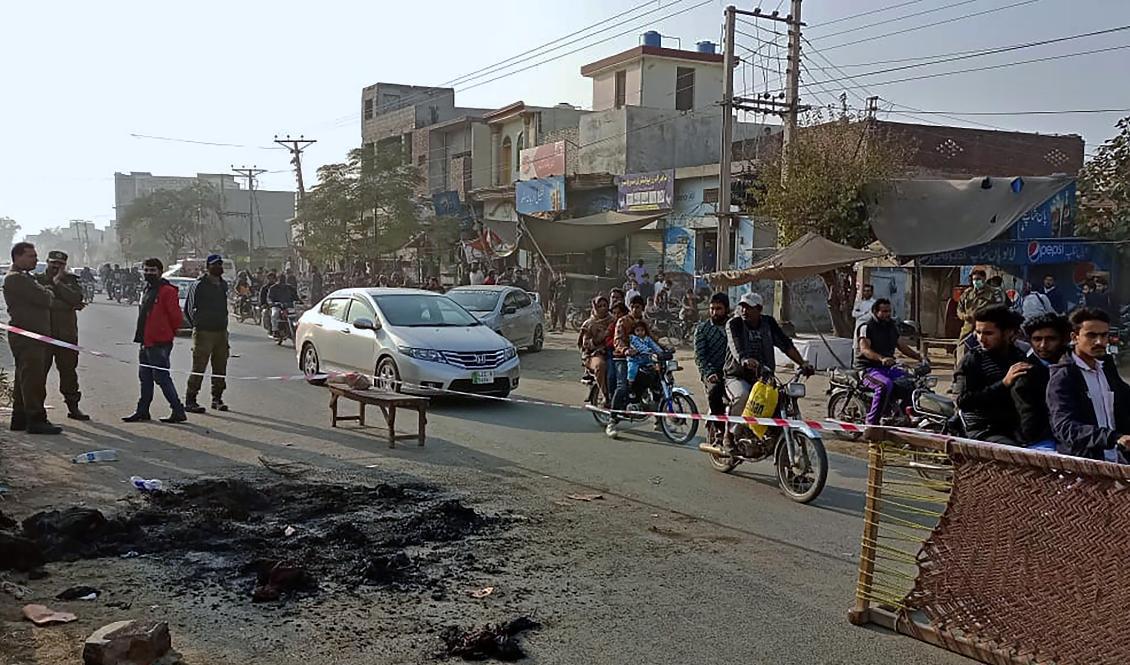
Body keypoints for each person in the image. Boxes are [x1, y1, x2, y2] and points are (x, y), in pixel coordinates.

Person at [723, 292, 813, 442]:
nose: (744, 311)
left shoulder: (768, 323)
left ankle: (769, 435)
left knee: (780, 400)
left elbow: (786, 344)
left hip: (764, 376)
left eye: (749, 307)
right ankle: (730, 435)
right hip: (737, 375)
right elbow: (736, 346)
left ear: (759, 309)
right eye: (742, 307)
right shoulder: (734, 323)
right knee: (743, 395)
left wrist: (802, 363)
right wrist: (745, 359)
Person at [1047, 308, 1130, 461]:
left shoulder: (1106, 366)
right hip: (1084, 463)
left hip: (1118, 458)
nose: (1099, 342)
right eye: (1091, 335)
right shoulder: (1064, 376)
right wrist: (1112, 438)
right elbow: (1064, 427)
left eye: (1104, 335)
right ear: (1075, 337)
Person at [3, 243, 62, 434]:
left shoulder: (25, 278)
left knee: (25, 378)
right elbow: (46, 298)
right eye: (31, 256)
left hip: (33, 334)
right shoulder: (16, 279)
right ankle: (36, 419)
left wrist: (46, 292)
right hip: (28, 335)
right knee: (33, 379)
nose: (36, 260)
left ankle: (20, 418)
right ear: (17, 257)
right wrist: (47, 292)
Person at [123, 258, 187, 424]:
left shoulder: (167, 291)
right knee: (145, 377)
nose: (149, 273)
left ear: (160, 271)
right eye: (146, 270)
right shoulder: (147, 289)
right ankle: (143, 410)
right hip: (146, 340)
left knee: (161, 377)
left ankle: (178, 410)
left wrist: (166, 333)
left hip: (159, 342)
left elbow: (176, 317)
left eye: (152, 270)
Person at [953, 305, 1027, 445]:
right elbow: (964, 401)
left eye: (988, 333)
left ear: (1007, 333)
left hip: (1013, 427)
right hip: (982, 429)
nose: (981, 339)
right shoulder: (973, 360)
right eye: (978, 332)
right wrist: (1004, 383)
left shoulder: (1018, 356)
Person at [37, 251, 89, 421]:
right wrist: (68, 306)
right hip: (43, 334)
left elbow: (76, 298)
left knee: (69, 373)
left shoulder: (70, 280)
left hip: (66, 335)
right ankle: (36, 410)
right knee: (38, 374)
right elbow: (41, 302)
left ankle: (73, 407)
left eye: (60, 264)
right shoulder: (37, 280)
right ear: (47, 262)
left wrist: (58, 283)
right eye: (53, 263)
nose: (56, 266)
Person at [856, 298, 923, 425]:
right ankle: (872, 424)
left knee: (913, 383)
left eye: (889, 311)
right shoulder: (866, 327)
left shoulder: (891, 326)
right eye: (884, 311)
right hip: (868, 369)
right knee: (884, 385)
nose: (888, 314)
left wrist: (919, 357)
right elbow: (865, 350)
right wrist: (881, 358)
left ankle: (900, 417)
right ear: (876, 312)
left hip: (888, 368)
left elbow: (901, 345)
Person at [1011, 313, 1070, 450]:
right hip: (1042, 440)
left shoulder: (1076, 365)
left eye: (1051, 339)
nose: (1043, 345)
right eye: (1037, 339)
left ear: (1063, 340)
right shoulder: (1025, 374)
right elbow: (1029, 420)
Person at [183, 254, 230, 414]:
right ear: (208, 266)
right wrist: (197, 325)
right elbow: (188, 308)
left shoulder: (223, 285)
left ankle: (217, 398)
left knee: (220, 367)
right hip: (204, 332)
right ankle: (191, 399)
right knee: (199, 367)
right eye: (215, 265)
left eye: (220, 264)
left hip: (221, 332)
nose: (218, 267)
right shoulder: (199, 284)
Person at [606, 295, 647, 438]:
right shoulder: (622, 321)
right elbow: (617, 340)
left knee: (655, 378)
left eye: (639, 307)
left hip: (640, 358)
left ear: (643, 308)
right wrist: (625, 350)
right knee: (622, 386)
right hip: (622, 358)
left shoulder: (644, 322)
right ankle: (612, 420)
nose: (636, 309)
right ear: (630, 307)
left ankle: (659, 420)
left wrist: (664, 347)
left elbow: (652, 337)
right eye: (633, 306)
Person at [694, 293, 730, 443]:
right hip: (712, 373)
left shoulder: (733, 327)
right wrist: (709, 373)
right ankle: (720, 431)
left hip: (733, 372)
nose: (715, 312)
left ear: (727, 309)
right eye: (712, 309)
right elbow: (700, 356)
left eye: (719, 309)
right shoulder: (703, 329)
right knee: (715, 391)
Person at [956, 269, 1005, 362]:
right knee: (962, 352)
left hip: (986, 329)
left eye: (978, 279)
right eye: (974, 279)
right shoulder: (967, 293)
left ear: (984, 279)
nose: (976, 282)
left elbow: (1000, 310)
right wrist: (964, 316)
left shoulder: (993, 293)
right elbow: (959, 309)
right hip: (968, 329)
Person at [578, 295, 616, 407]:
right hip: (593, 354)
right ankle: (605, 395)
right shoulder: (589, 324)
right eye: (600, 306)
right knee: (600, 365)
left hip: (612, 351)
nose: (603, 308)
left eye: (605, 305)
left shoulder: (613, 320)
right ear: (595, 307)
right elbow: (586, 345)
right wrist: (600, 338)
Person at [626, 319, 664, 393]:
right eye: (637, 330)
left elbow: (654, 346)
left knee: (657, 369)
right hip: (635, 360)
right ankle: (630, 387)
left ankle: (655, 386)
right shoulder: (633, 338)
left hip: (647, 360)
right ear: (634, 331)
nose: (640, 332)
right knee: (632, 371)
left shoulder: (647, 338)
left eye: (642, 330)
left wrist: (661, 352)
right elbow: (640, 346)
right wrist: (649, 351)